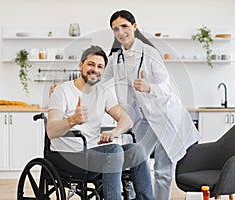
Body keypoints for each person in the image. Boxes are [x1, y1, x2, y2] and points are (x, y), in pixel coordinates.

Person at [101, 10, 201, 200]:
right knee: (135, 162)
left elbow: (165, 86)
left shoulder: (150, 53)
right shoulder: (116, 58)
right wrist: (69, 86)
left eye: (124, 26)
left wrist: (149, 87)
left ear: (135, 27)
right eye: (115, 29)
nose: (120, 32)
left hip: (165, 116)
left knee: (163, 171)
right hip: (143, 120)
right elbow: (98, 80)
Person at [47, 45, 153, 200]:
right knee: (114, 151)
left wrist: (115, 132)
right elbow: (51, 130)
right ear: (81, 65)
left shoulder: (102, 92)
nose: (95, 69)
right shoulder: (62, 91)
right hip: (69, 156)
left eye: (100, 66)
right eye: (91, 64)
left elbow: (127, 120)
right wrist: (72, 120)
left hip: (92, 153)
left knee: (136, 149)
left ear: (103, 71)